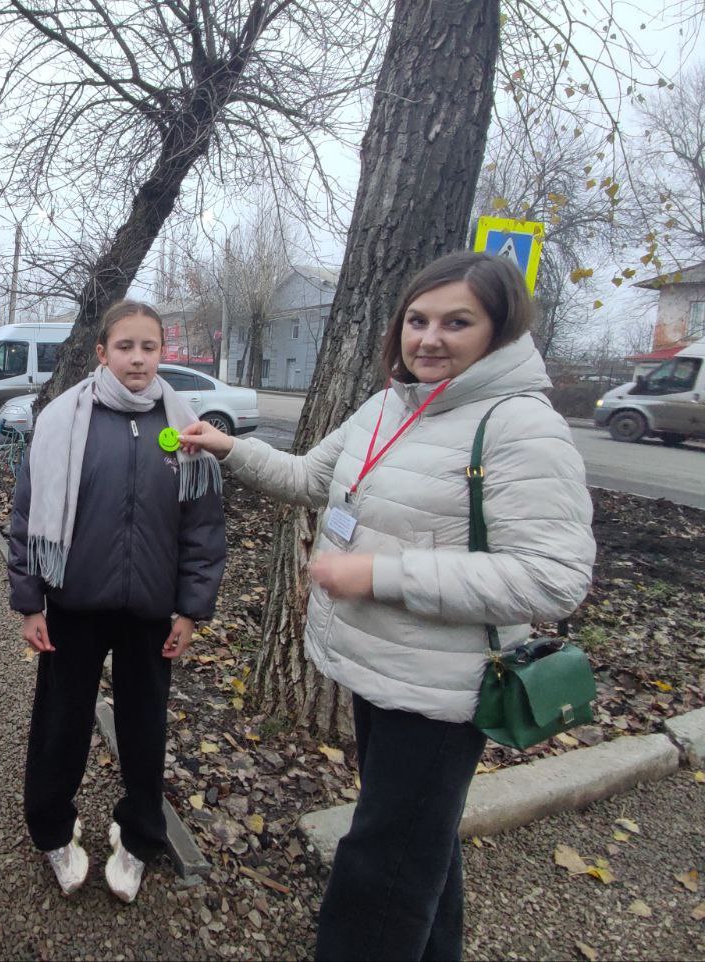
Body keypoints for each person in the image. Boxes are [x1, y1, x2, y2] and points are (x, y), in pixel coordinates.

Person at [179, 251, 596, 960]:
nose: (429, 338)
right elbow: (309, 478)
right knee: (418, 844)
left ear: (499, 330)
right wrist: (226, 447)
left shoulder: (521, 426)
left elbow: (554, 578)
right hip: (380, 670)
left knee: (381, 866)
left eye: (457, 322)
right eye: (417, 320)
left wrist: (379, 574)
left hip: (442, 690)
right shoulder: (392, 405)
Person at [8, 299, 227, 903]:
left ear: (163, 352)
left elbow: (203, 528)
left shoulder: (185, 427)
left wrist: (190, 609)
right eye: (125, 346)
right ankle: (54, 831)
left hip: (150, 614)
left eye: (148, 347)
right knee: (60, 727)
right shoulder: (63, 420)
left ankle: (137, 838)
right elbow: (27, 516)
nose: (137, 358)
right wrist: (30, 602)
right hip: (74, 608)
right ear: (102, 352)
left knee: (144, 730)